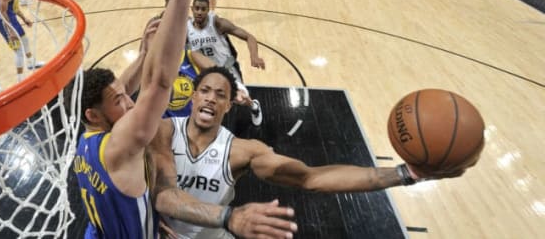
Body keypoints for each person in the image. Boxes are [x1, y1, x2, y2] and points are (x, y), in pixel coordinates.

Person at [72, 0, 297, 239]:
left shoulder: (87, 142)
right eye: (119, 101)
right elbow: (156, 86)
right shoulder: (122, 142)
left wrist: (146, 53)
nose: (128, 100)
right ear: (94, 114)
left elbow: (128, 85)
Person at [151, 67, 471, 239]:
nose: (210, 99)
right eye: (204, 91)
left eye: (220, 95)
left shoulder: (242, 151)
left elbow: (313, 178)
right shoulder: (163, 133)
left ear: (229, 104)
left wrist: (406, 174)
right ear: (193, 97)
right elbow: (163, 195)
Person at [187, 0, 264, 126]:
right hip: (206, 72)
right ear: (192, 9)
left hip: (227, 68)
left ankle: (253, 105)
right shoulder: (186, 28)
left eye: (203, 9)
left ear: (208, 10)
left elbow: (249, 37)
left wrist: (254, 56)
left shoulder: (218, 23)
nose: (200, 12)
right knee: (203, 100)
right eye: (197, 8)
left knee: (241, 99)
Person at [0, 0, 44, 82]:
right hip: (5, 22)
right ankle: (20, 79)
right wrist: (10, 30)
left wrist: (24, 19)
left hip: (13, 19)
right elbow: (3, 13)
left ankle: (31, 63)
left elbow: (15, 8)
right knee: (18, 51)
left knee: (25, 40)